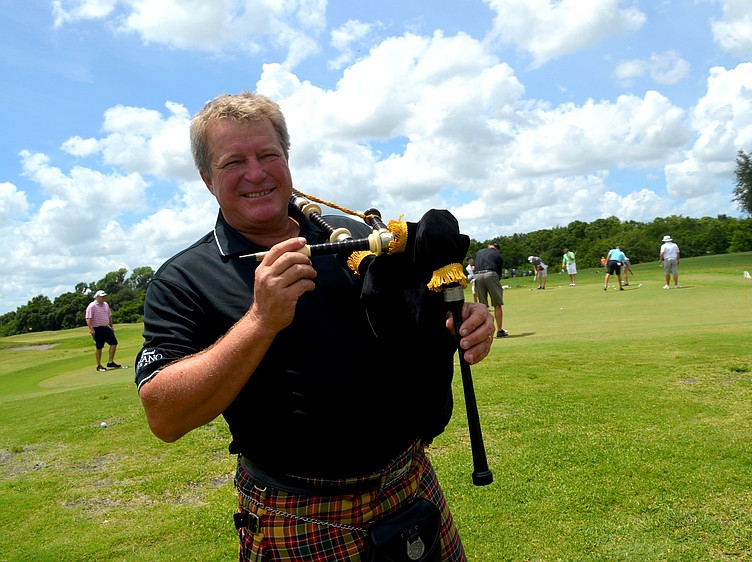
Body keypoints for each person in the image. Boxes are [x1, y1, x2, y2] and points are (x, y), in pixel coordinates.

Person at [134, 92, 495, 561]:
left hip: (410, 482)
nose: (257, 173)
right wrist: (261, 321)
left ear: (286, 159)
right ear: (207, 179)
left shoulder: (352, 238)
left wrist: (461, 322)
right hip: (299, 510)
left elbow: (407, 325)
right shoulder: (184, 279)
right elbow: (165, 416)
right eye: (233, 162)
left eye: (268, 155)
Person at [474, 242, 507, 338]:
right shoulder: (497, 255)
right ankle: (500, 331)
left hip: (477, 276)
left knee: (483, 305)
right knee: (497, 304)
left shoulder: (479, 252)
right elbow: (499, 273)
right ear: (497, 249)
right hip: (490, 274)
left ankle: (484, 332)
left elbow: (474, 266)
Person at [85, 290, 121, 371]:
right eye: (102, 297)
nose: (103, 298)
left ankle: (110, 362)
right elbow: (88, 318)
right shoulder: (92, 306)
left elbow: (109, 316)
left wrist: (111, 326)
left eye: (104, 296)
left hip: (106, 327)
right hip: (97, 329)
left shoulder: (105, 305)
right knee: (99, 347)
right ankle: (99, 365)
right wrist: (91, 329)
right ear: (97, 297)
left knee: (114, 343)